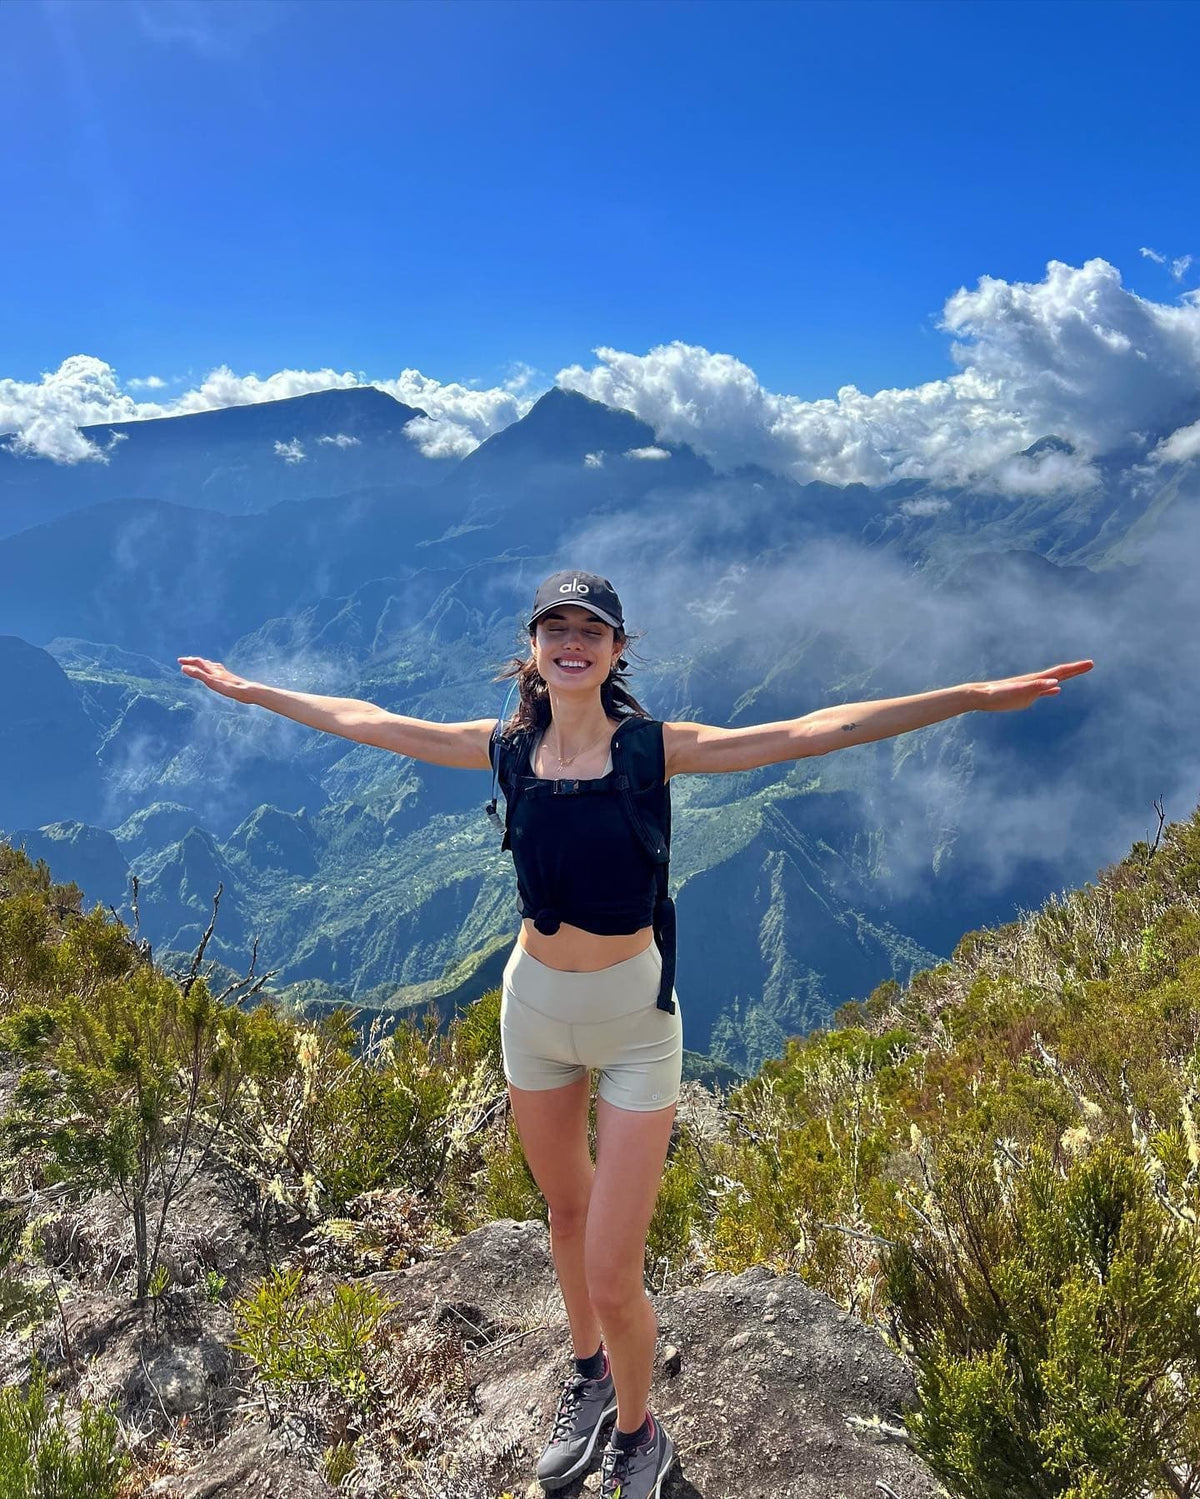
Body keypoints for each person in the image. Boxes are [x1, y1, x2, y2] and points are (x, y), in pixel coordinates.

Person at [179, 569, 1092, 1498]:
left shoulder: (653, 751)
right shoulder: (505, 749)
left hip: (635, 1028)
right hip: (532, 1012)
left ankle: (638, 1427)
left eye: (592, 629)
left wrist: (972, 695)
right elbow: (365, 719)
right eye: (555, 627)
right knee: (564, 1215)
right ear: (533, 649)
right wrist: (254, 690)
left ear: (616, 650)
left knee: (614, 1271)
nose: (573, 642)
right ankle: (587, 1374)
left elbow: (815, 728)